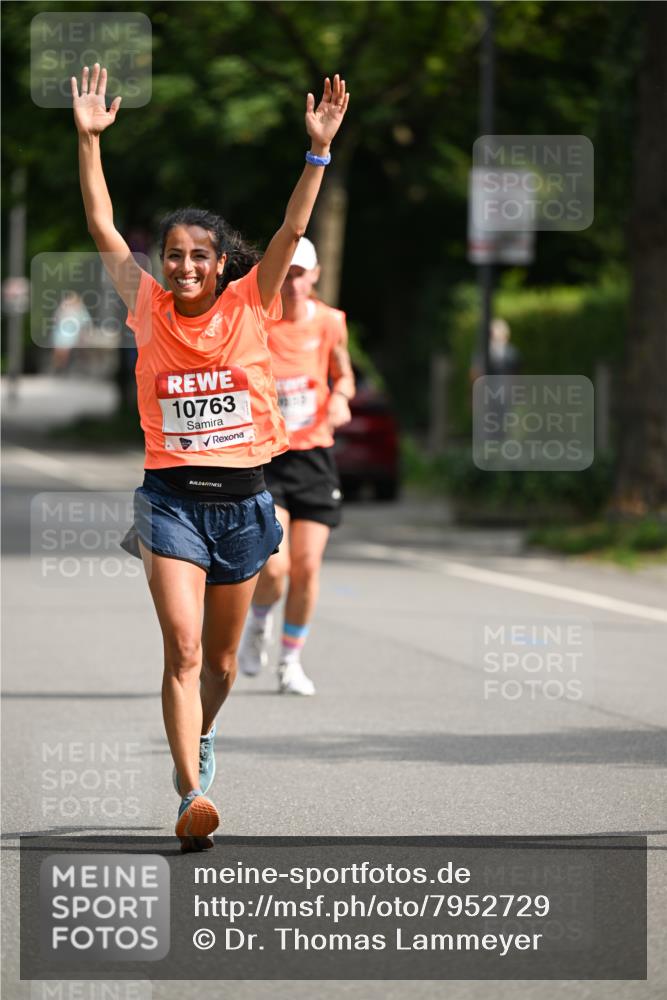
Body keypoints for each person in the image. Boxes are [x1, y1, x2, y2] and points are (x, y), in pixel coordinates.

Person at [70, 63, 349, 850]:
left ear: (222, 262)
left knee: (222, 665)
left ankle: (201, 737)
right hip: (169, 505)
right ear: (158, 262)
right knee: (184, 649)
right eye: (174, 255)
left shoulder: (250, 303)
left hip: (245, 505)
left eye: (199, 255)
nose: (185, 266)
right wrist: (89, 142)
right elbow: (99, 225)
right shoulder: (145, 305)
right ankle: (192, 795)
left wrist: (316, 154)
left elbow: (293, 232)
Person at [238, 237, 355, 695]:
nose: (293, 283)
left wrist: (342, 397)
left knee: (307, 568)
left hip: (315, 457)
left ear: (316, 275)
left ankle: (290, 661)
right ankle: (259, 622)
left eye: (301, 274)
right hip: (269, 456)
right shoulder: (257, 320)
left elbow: (342, 371)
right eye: (286, 273)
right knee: (275, 568)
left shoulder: (330, 322)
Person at [50, 291, 92, 373]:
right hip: (61, 331)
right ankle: (59, 365)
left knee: (65, 349)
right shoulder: (63, 307)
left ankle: (62, 366)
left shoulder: (80, 310)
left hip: (72, 333)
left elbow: (85, 322)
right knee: (59, 348)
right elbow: (56, 318)